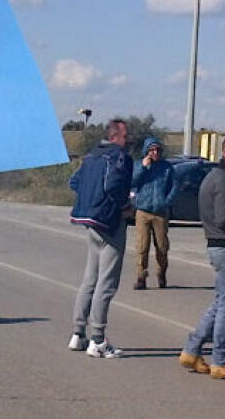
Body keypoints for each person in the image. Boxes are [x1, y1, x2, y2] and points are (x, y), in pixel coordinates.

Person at [179, 134, 225, 381]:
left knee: (221, 302)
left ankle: (192, 350)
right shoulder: (223, 179)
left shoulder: (224, 177)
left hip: (222, 246)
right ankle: (220, 360)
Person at [66, 119, 132, 358]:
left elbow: (74, 182)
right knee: (107, 282)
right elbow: (114, 184)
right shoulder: (118, 156)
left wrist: (91, 198)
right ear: (115, 137)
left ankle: (78, 333)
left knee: (90, 279)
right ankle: (98, 339)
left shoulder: (91, 156)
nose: (128, 140)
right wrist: (124, 206)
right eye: (125, 136)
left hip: (89, 221)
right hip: (109, 222)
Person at [130, 136, 177, 290]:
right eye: (151, 150)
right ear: (146, 151)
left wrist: (166, 202)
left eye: (157, 150)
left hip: (160, 212)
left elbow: (174, 186)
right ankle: (141, 276)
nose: (155, 152)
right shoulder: (139, 165)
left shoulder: (167, 167)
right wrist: (143, 167)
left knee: (162, 246)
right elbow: (132, 182)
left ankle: (161, 272)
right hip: (143, 211)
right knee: (142, 245)